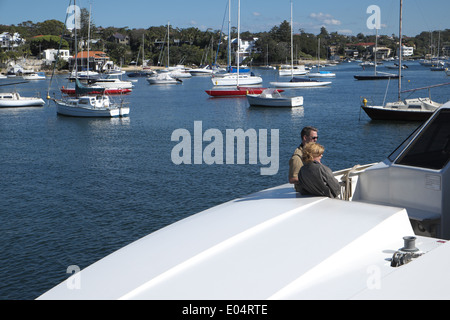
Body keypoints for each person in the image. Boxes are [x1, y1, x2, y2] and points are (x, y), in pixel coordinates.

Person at [288, 126, 318, 191]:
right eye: (313, 138)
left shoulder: (311, 152)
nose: (316, 140)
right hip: (305, 192)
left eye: (316, 138)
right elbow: (292, 179)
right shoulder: (297, 157)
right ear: (305, 138)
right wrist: (312, 180)